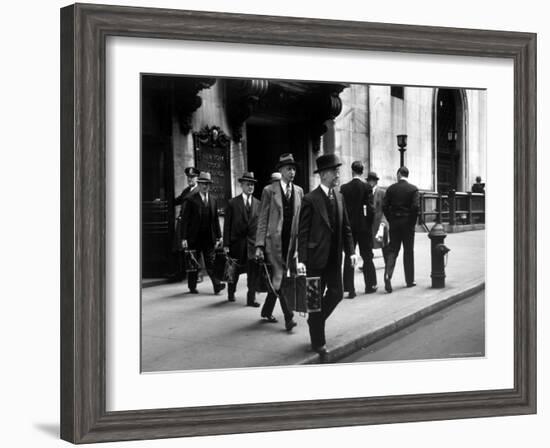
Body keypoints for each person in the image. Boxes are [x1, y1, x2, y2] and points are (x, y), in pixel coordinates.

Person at [298, 154, 356, 359]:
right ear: (323, 174)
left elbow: (347, 228)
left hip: (334, 259)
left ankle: (316, 321)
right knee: (314, 300)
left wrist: (351, 252)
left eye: (338, 171)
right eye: (334, 171)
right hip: (315, 260)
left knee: (337, 293)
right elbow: (302, 232)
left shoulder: (339, 197)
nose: (338, 174)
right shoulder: (310, 199)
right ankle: (319, 343)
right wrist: (302, 260)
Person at [255, 153, 302, 331]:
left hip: (291, 244)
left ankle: (266, 310)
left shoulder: (298, 191)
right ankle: (288, 317)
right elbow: (262, 219)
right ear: (281, 170)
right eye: (289, 168)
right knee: (280, 278)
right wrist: (259, 245)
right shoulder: (269, 191)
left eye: (294, 169)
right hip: (273, 244)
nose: (292, 172)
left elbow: (300, 220)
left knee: (280, 278)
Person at [181, 172, 225, 295]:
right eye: (203, 184)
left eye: (208, 184)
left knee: (211, 262)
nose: (206, 186)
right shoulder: (191, 200)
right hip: (194, 237)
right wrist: (184, 237)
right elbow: (185, 220)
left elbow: (215, 219)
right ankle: (192, 286)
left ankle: (217, 285)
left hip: (208, 237)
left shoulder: (213, 200)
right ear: (199, 184)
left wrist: (219, 236)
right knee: (194, 262)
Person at [223, 172, 261, 307]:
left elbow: (260, 226)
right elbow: (227, 225)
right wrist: (226, 244)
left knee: (253, 272)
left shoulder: (258, 203)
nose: (250, 187)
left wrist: (260, 245)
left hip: (252, 243)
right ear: (242, 185)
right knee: (234, 270)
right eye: (248, 184)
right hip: (236, 243)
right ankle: (231, 292)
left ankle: (251, 299)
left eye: (252, 185)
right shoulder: (233, 203)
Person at [340, 161, 376, 298]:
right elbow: (371, 209)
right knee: (367, 256)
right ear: (362, 171)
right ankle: (369, 285)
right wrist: (368, 224)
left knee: (350, 256)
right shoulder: (367, 187)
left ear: (352, 171)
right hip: (364, 227)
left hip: (349, 227)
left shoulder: (344, 188)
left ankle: (350, 288)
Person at [382, 166, 419, 293]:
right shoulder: (413, 189)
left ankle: (388, 274)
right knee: (408, 251)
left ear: (398, 174)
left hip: (395, 223)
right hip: (408, 223)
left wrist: (391, 219)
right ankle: (409, 280)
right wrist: (412, 222)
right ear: (407, 175)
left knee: (393, 250)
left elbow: (384, 206)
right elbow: (415, 207)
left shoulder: (391, 189)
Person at [171, 167, 200, 281]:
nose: (190, 179)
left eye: (192, 177)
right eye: (188, 177)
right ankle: (181, 273)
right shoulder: (186, 191)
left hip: (191, 225)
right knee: (181, 248)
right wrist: (164, 200)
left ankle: (195, 275)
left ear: (197, 178)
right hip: (182, 223)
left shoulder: (198, 191)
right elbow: (177, 200)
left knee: (192, 250)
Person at [366, 171, 390, 264]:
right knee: (368, 246)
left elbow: (386, 209)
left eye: (372, 180)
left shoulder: (382, 192)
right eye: (369, 181)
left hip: (380, 222)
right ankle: (367, 264)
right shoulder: (367, 192)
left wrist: (383, 222)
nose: (370, 182)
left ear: (376, 182)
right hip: (370, 222)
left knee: (384, 245)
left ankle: (387, 264)